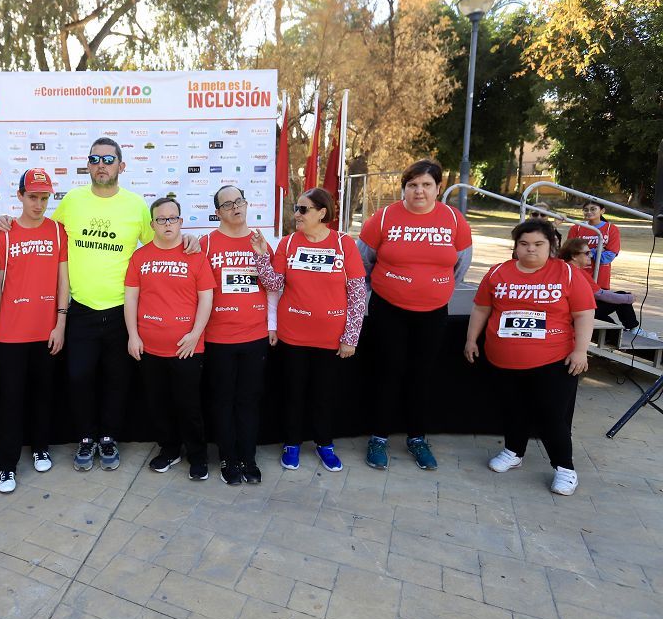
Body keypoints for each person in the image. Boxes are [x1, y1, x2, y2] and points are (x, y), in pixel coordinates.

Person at [0, 137, 199, 472]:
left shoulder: (135, 205)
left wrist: (188, 239)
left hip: (121, 311)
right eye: (94, 159)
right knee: (79, 378)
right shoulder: (73, 201)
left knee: (117, 381)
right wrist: (7, 221)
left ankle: (108, 438)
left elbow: (162, 243)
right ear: (88, 165)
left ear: (122, 165)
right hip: (80, 309)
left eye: (108, 159)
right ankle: (86, 438)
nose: (101, 164)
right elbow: (41, 228)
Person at [357, 159, 472, 471]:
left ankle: (417, 438)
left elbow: (460, 266)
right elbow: (363, 263)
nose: (419, 190)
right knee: (388, 372)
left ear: (438, 188)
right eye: (412, 185)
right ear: (404, 188)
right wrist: (388, 288)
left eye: (426, 185)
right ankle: (378, 438)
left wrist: (434, 288)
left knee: (421, 375)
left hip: (433, 313)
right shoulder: (382, 219)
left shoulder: (454, 219)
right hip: (388, 310)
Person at [465, 219, 595, 496]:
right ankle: (514, 452)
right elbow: (481, 309)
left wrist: (580, 350)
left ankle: (564, 468)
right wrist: (471, 340)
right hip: (503, 359)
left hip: (553, 360)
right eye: (524, 244)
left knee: (551, 416)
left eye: (538, 244)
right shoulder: (498, 272)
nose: (530, 250)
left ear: (552, 246)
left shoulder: (568, 274)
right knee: (513, 408)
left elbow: (583, 314)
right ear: (515, 246)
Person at [251, 188, 366, 473]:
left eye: (303, 210)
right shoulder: (288, 244)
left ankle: (324, 443)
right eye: (296, 208)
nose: (297, 215)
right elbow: (274, 285)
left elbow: (357, 292)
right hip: (294, 337)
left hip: (330, 338)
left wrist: (350, 337)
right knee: (293, 393)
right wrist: (262, 256)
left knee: (324, 395)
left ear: (322, 213)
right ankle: (291, 444)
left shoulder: (343, 244)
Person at [0, 169, 69, 494]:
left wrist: (60, 322)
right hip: (10, 335)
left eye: (44, 198)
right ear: (20, 195)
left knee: (42, 396)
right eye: (33, 197)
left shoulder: (57, 231)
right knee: (10, 401)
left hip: (46, 330)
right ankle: (6, 467)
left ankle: (40, 447)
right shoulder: (4, 234)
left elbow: (63, 279)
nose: (39, 204)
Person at [124, 198, 215, 480]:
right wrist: (133, 336)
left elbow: (206, 298)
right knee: (158, 405)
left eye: (172, 218)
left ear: (180, 221)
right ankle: (170, 450)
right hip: (149, 348)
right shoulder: (140, 257)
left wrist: (194, 335)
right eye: (161, 219)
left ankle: (198, 456)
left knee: (189, 407)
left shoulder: (195, 256)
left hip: (187, 348)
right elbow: (131, 298)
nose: (167, 224)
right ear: (152, 225)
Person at [199, 185, 273, 484]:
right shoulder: (204, 244)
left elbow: (274, 286)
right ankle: (228, 458)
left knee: (248, 400)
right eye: (227, 204)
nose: (235, 207)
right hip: (218, 338)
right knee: (222, 401)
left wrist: (273, 328)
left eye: (239, 201)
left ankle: (248, 458)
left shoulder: (262, 242)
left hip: (254, 337)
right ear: (218, 212)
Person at [558, 238, 656, 338]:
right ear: (574, 256)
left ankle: (619, 335)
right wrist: (628, 298)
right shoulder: (576, 271)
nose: (591, 256)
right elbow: (599, 294)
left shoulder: (566, 268)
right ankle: (634, 329)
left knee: (608, 323)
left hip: (577, 311)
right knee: (622, 296)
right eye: (587, 253)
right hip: (579, 312)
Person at [567, 199, 621, 291]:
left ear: (602, 211)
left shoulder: (611, 229)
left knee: (600, 302)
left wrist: (585, 253)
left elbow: (608, 257)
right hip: (580, 274)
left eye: (593, 209)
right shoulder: (576, 228)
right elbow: (570, 254)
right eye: (586, 209)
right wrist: (596, 251)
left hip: (601, 276)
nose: (589, 212)